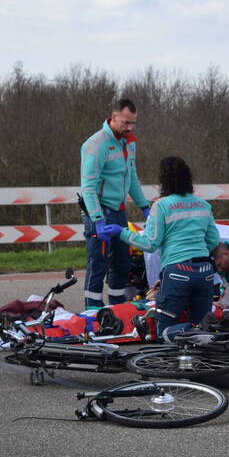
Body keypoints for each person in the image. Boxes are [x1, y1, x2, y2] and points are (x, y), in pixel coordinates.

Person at [97, 157, 219, 338]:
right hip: (205, 272)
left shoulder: (161, 206)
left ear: (164, 180)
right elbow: (214, 241)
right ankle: (199, 335)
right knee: (202, 328)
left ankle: (189, 335)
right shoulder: (203, 205)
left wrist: (121, 232)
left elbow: (149, 244)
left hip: (177, 272)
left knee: (164, 332)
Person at [80, 98, 151, 309]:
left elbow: (131, 177)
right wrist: (97, 219)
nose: (130, 128)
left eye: (133, 123)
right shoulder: (96, 145)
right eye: (126, 123)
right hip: (99, 211)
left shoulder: (129, 142)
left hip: (119, 211)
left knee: (122, 262)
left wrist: (144, 206)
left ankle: (117, 307)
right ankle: (93, 309)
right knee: (98, 261)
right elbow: (88, 187)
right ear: (113, 117)